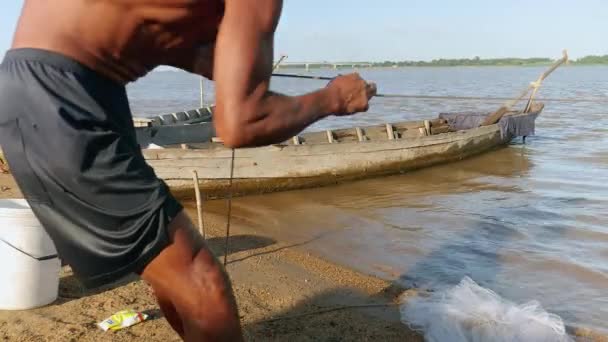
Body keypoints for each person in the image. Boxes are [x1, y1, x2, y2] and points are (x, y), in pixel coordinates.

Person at [0, 1, 376, 341]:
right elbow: (241, 125)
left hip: (34, 81)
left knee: (169, 267)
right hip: (65, 95)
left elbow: (181, 48)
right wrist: (334, 99)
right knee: (202, 280)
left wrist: (248, 81)